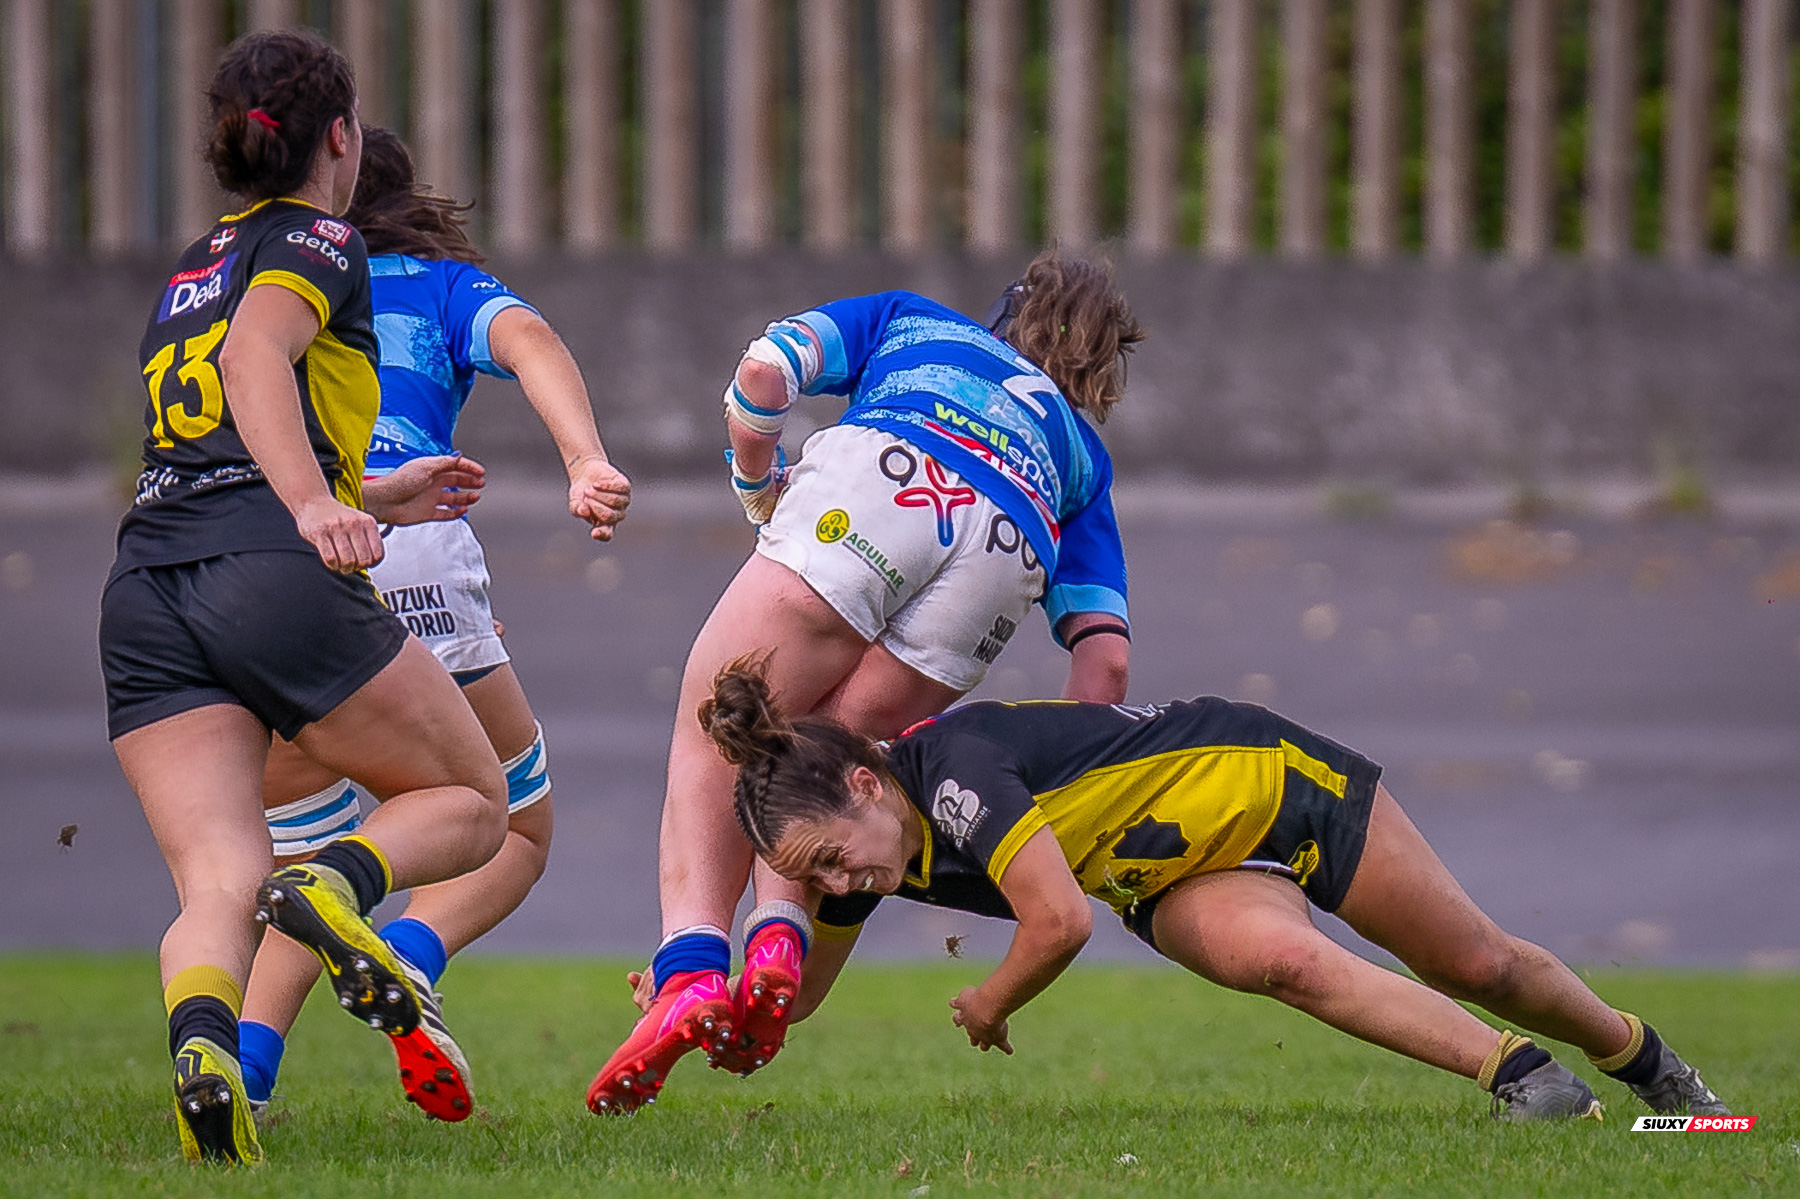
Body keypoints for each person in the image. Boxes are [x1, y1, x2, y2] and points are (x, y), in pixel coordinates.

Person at [694, 657, 1730, 1122]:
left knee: (1477, 960)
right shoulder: (872, 855)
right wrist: (722, 1016)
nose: (836, 883)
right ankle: (1530, 1083)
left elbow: (1058, 923)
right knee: (1278, 961)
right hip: (1166, 870)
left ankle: (1645, 1062)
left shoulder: (955, 770)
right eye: (814, 878)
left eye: (830, 857)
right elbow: (801, 996)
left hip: (1270, 779)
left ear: (864, 783)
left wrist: (991, 998)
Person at [587, 255, 1144, 1113]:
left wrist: (756, 481)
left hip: (888, 475)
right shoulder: (1081, 455)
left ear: (1003, 318)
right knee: (823, 758)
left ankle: (690, 971)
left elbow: (762, 377)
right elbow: (1104, 662)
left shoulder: (913, 319)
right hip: (1010, 539)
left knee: (717, 720)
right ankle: (778, 938)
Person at [97, 31, 510, 1164]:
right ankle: (331, 888)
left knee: (220, 874)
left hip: (146, 584)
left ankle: (206, 1052)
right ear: (342, 136)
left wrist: (372, 491)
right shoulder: (321, 238)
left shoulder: (195, 261)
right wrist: (314, 505)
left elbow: (211, 440)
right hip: (264, 569)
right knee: (475, 799)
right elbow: (253, 361)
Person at [231, 126, 633, 1123]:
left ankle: (246, 1069)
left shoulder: (260, 284)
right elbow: (531, 340)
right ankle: (410, 953)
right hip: (403, 544)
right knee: (517, 820)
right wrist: (584, 458)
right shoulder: (441, 285)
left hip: (260, 557)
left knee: (303, 865)